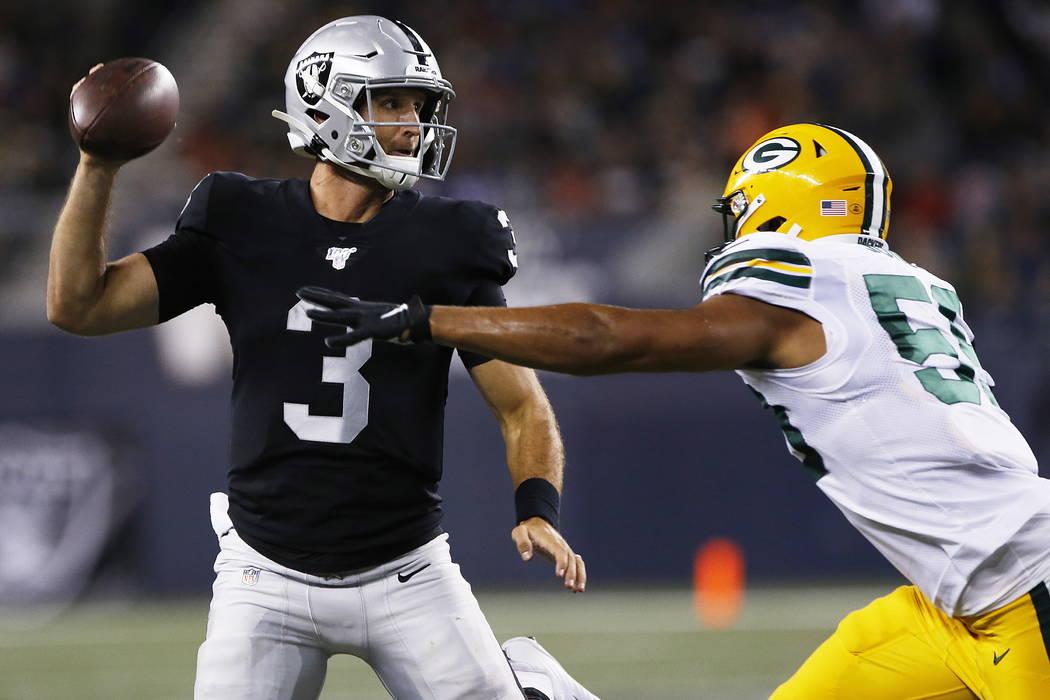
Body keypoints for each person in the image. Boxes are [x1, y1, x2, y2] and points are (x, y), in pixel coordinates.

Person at [299, 122, 1050, 698]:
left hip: (1025, 588)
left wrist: (429, 319)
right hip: (964, 601)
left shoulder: (806, 282)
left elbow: (608, 340)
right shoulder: (908, 283)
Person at [48, 15, 599, 700]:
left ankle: (533, 686)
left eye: (419, 106)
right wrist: (97, 168)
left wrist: (537, 507)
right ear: (326, 103)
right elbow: (79, 306)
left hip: (407, 570)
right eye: (392, 102)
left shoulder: (447, 240)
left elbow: (521, 406)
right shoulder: (240, 219)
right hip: (264, 576)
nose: (414, 124)